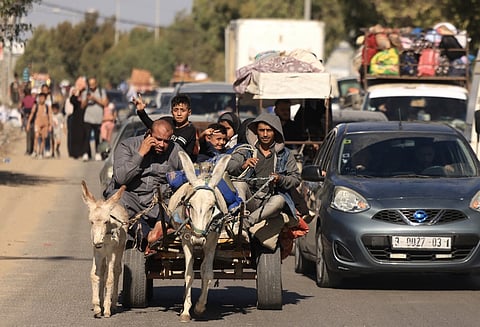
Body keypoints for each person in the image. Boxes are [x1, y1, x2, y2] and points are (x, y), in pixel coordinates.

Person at [103, 119, 183, 252]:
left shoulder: (176, 151)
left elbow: (188, 176)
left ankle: (159, 228)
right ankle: (147, 236)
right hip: (133, 200)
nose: (162, 144)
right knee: (115, 198)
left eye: (166, 141)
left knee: (179, 196)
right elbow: (121, 178)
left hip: (160, 203)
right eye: (158, 139)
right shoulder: (127, 146)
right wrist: (140, 153)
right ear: (149, 134)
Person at [227, 113, 301, 248]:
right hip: (249, 200)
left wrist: (280, 179)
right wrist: (243, 165)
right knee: (239, 184)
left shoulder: (285, 154)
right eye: (261, 130)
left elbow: (296, 178)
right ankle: (238, 218)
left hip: (269, 201)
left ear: (276, 132)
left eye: (269, 131)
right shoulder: (245, 150)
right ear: (256, 132)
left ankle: (245, 224)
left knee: (280, 200)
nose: (265, 134)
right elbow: (229, 166)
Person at [135, 93, 198, 160]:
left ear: (189, 112)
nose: (179, 114)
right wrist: (141, 111)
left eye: (182, 110)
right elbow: (153, 127)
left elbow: (182, 153)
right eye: (176, 110)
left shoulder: (190, 130)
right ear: (172, 112)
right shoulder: (166, 121)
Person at [81, 77, 108, 161]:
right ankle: (86, 153)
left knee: (97, 137)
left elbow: (105, 103)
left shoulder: (101, 92)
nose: (92, 86)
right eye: (90, 84)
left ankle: (97, 153)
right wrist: (87, 99)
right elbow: (82, 106)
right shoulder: (85, 93)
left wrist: (95, 99)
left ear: (96, 84)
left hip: (98, 118)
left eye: (93, 84)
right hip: (88, 118)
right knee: (87, 136)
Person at [27, 92, 52, 159]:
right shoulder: (36, 106)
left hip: (45, 124)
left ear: (45, 99)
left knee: (43, 138)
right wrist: (28, 123)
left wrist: (50, 125)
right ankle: (35, 151)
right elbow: (32, 114)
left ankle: (41, 152)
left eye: (43, 98)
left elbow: (50, 116)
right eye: (40, 98)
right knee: (37, 136)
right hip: (37, 123)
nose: (41, 99)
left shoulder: (47, 107)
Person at [68, 83, 89, 159]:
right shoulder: (76, 98)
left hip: (85, 119)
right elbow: (72, 101)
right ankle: (75, 153)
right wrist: (75, 93)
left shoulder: (86, 97)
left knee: (84, 136)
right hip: (76, 119)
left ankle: (84, 152)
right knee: (75, 137)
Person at [19, 87, 35, 155]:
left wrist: (23, 116)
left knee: (28, 135)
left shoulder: (23, 100)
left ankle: (28, 150)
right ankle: (32, 149)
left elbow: (20, 108)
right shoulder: (34, 99)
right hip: (33, 118)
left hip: (26, 118)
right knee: (33, 135)